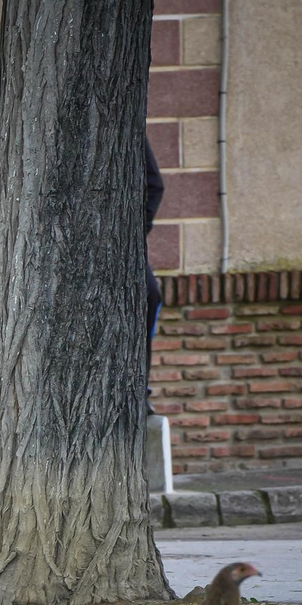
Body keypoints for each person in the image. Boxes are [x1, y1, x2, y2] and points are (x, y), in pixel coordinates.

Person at [143, 137, 166, 410]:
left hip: (120, 243)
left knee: (149, 295)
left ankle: (138, 387)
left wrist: (135, 230)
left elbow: (154, 184)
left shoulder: (124, 126)